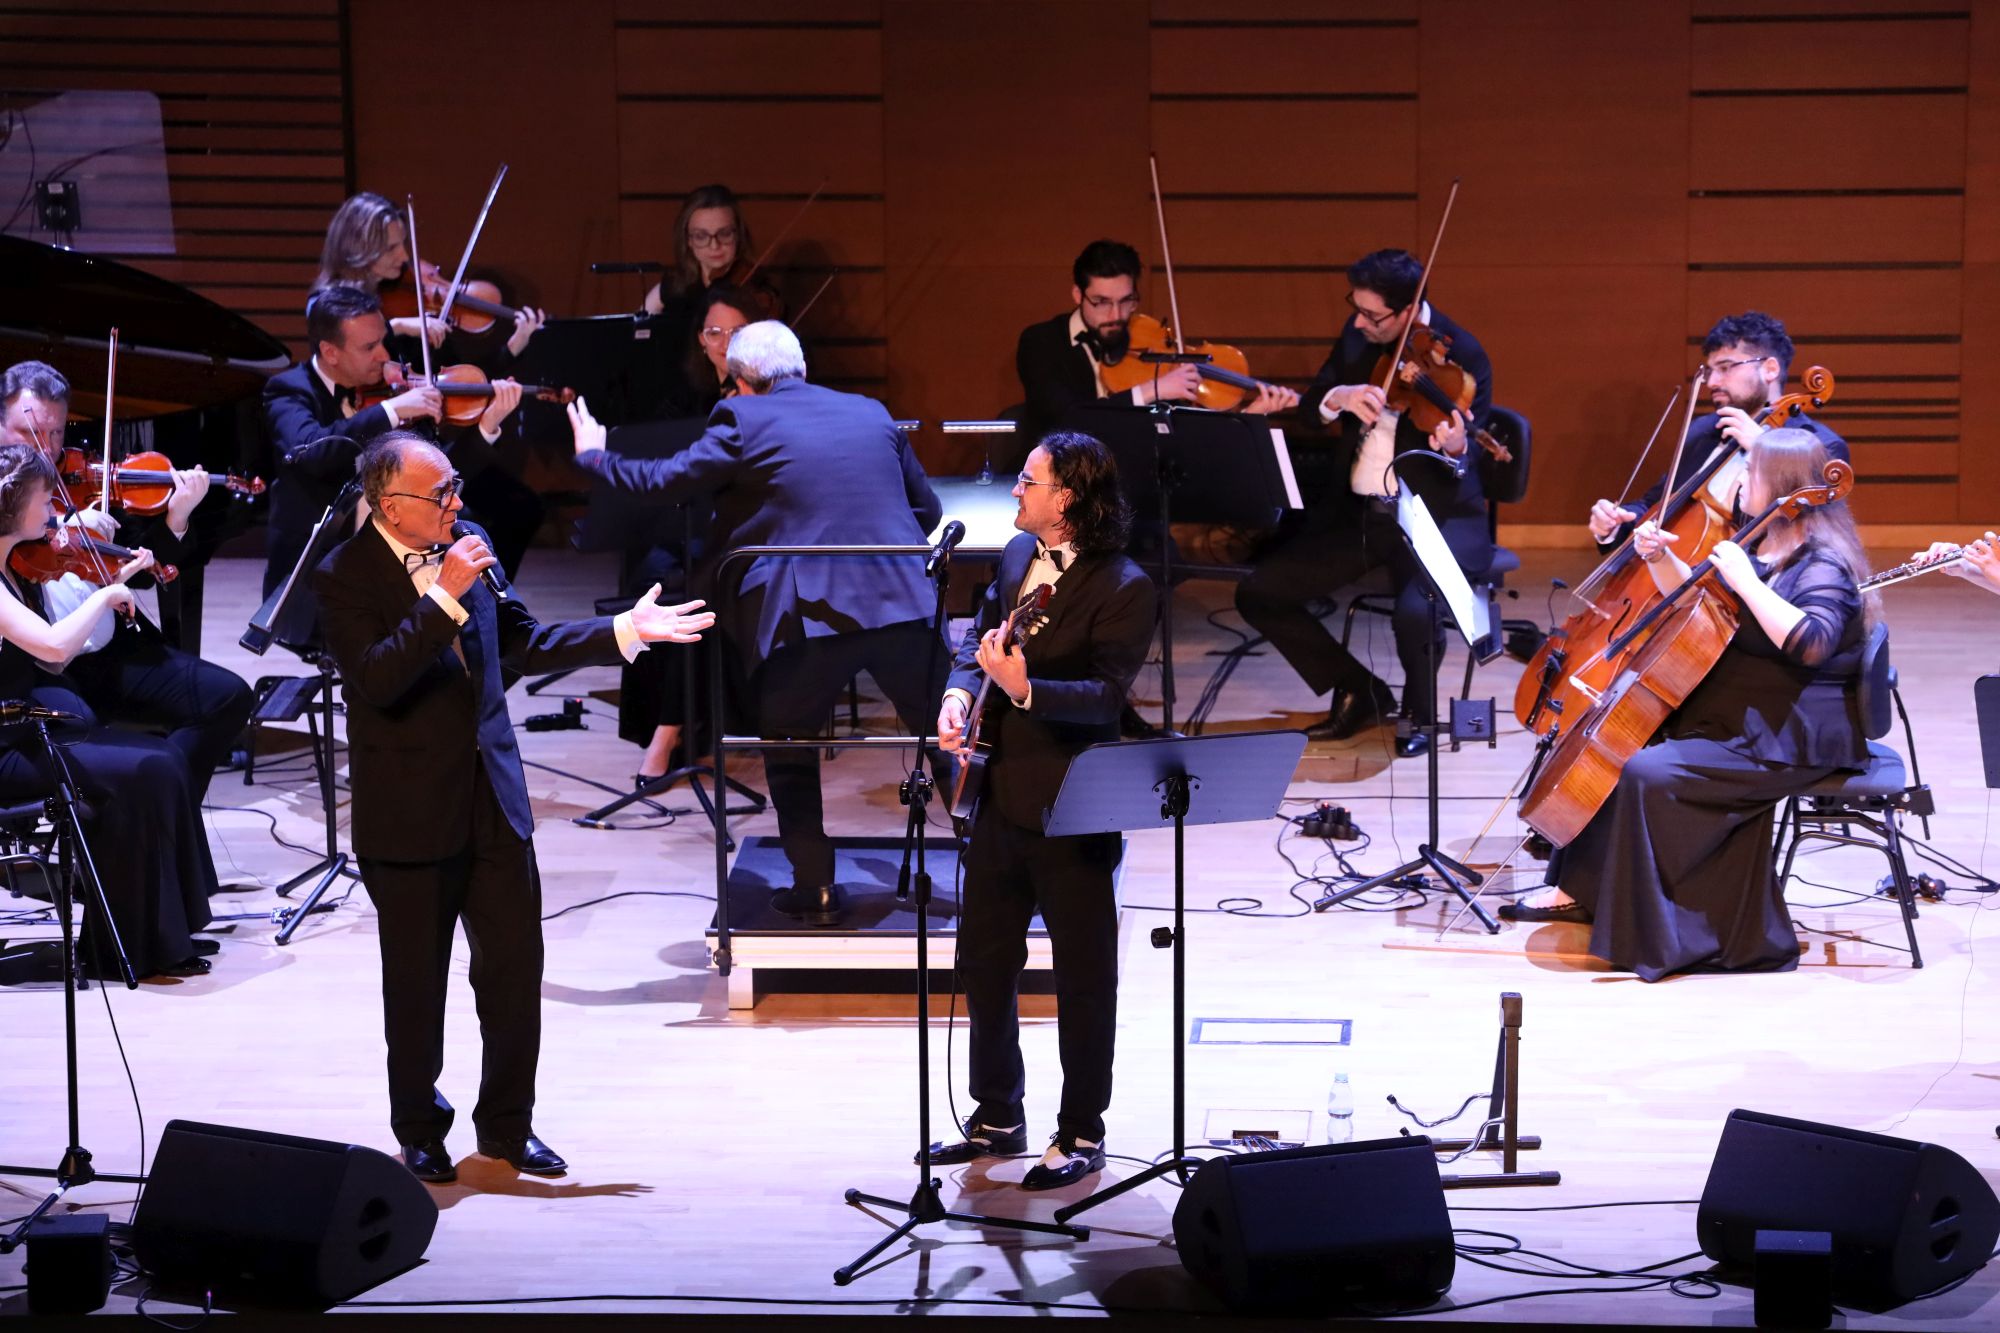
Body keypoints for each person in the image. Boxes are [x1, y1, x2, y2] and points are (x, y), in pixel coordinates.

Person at [313, 429, 713, 1184]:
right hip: (407, 812)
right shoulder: (342, 574)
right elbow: (379, 678)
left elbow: (521, 642)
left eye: (455, 486)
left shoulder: (470, 539)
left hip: (493, 797)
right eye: (440, 493)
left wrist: (624, 631)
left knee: (512, 975)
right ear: (389, 505)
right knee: (416, 984)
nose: (455, 502)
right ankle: (419, 1128)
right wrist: (442, 596)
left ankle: (507, 1126)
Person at [572, 321, 947, 925]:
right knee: (949, 737)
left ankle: (815, 887)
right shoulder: (871, 411)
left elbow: (664, 481)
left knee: (789, 743)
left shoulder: (741, 417)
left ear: (739, 381)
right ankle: (994, 869)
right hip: (904, 601)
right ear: (802, 367)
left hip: (810, 618)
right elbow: (926, 510)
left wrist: (594, 455)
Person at [1503, 429, 1874, 981]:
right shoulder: (1763, 542)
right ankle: (1586, 892)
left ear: (1781, 487)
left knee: (1646, 772)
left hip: (1785, 737)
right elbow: (1704, 602)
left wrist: (1747, 583)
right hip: (1743, 717)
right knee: (1629, 742)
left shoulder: (1823, 566)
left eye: (1752, 472)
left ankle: (1675, 938)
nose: (1742, 481)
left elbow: (1812, 642)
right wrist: (1661, 561)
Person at [927, 432, 1155, 1189]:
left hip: (1073, 805)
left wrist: (1024, 688)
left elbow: (1105, 697)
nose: (1014, 491)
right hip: (998, 793)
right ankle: (998, 1112)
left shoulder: (1124, 586)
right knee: (985, 961)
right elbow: (979, 639)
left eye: (1028, 481)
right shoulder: (1017, 555)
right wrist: (961, 692)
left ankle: (1082, 1129)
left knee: (1083, 978)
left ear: (1067, 498)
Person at [1233, 248, 1491, 756]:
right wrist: (1341, 397)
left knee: (1416, 612)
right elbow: (1312, 406)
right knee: (1259, 593)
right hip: (1359, 515)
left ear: (1408, 311)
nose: (1359, 322)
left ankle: (1420, 713)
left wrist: (1457, 446)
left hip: (1432, 518)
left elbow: (1473, 453)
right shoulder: (1359, 338)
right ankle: (1359, 689)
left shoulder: (1464, 353)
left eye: (1373, 315)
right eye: (1357, 308)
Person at [0, 444, 220, 980]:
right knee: (141, 770)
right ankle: (126, 945)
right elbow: (53, 646)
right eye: (43, 498)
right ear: (12, 506)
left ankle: (165, 934)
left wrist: (99, 584)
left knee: (163, 760)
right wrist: (104, 596)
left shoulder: (14, 567)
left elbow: (53, 661)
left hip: (25, 725)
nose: (54, 508)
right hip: (6, 747)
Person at [0, 363, 254, 805]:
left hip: (112, 653)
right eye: (30, 432)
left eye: (56, 432)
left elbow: (143, 560)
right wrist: (62, 524)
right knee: (98, 742)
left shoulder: (87, 480)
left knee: (227, 697)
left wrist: (176, 517)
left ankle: (160, 816)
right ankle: (143, 813)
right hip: (46, 670)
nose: (47, 446)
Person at [262, 286, 527, 599]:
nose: (385, 356)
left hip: (395, 560)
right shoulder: (288, 390)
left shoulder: (394, 389)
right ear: (331, 352)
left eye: (383, 342)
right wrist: (390, 410)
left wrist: (487, 425)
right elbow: (312, 453)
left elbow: (439, 479)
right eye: (370, 347)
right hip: (319, 565)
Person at [620, 286, 763, 785]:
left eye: (737, 332)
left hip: (750, 529)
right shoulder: (684, 395)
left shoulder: (768, 392)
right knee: (651, 580)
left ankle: (668, 734)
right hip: (693, 523)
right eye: (714, 332)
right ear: (701, 340)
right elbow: (664, 462)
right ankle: (663, 724)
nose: (725, 342)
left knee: (693, 591)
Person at [1013, 239, 1295, 462]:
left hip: (1135, 483)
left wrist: (1248, 417)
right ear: (1078, 295)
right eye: (1102, 302)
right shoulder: (1041, 342)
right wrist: (1150, 390)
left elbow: (1193, 442)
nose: (1116, 315)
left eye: (1126, 301)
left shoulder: (1150, 341)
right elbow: (1068, 420)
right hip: (1064, 481)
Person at [1587, 311, 1848, 548]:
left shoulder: (1821, 446)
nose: (1712, 382)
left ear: (1769, 369)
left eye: (1725, 368)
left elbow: (1809, 535)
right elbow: (1656, 505)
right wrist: (1615, 524)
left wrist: (1765, 450)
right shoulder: (1703, 430)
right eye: (1710, 371)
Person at [316, 191, 547, 361]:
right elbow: (351, 356)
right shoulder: (324, 304)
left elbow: (457, 381)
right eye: (391, 248)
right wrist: (398, 326)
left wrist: (512, 349)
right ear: (359, 248)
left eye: (403, 244)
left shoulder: (413, 308)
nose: (405, 256)